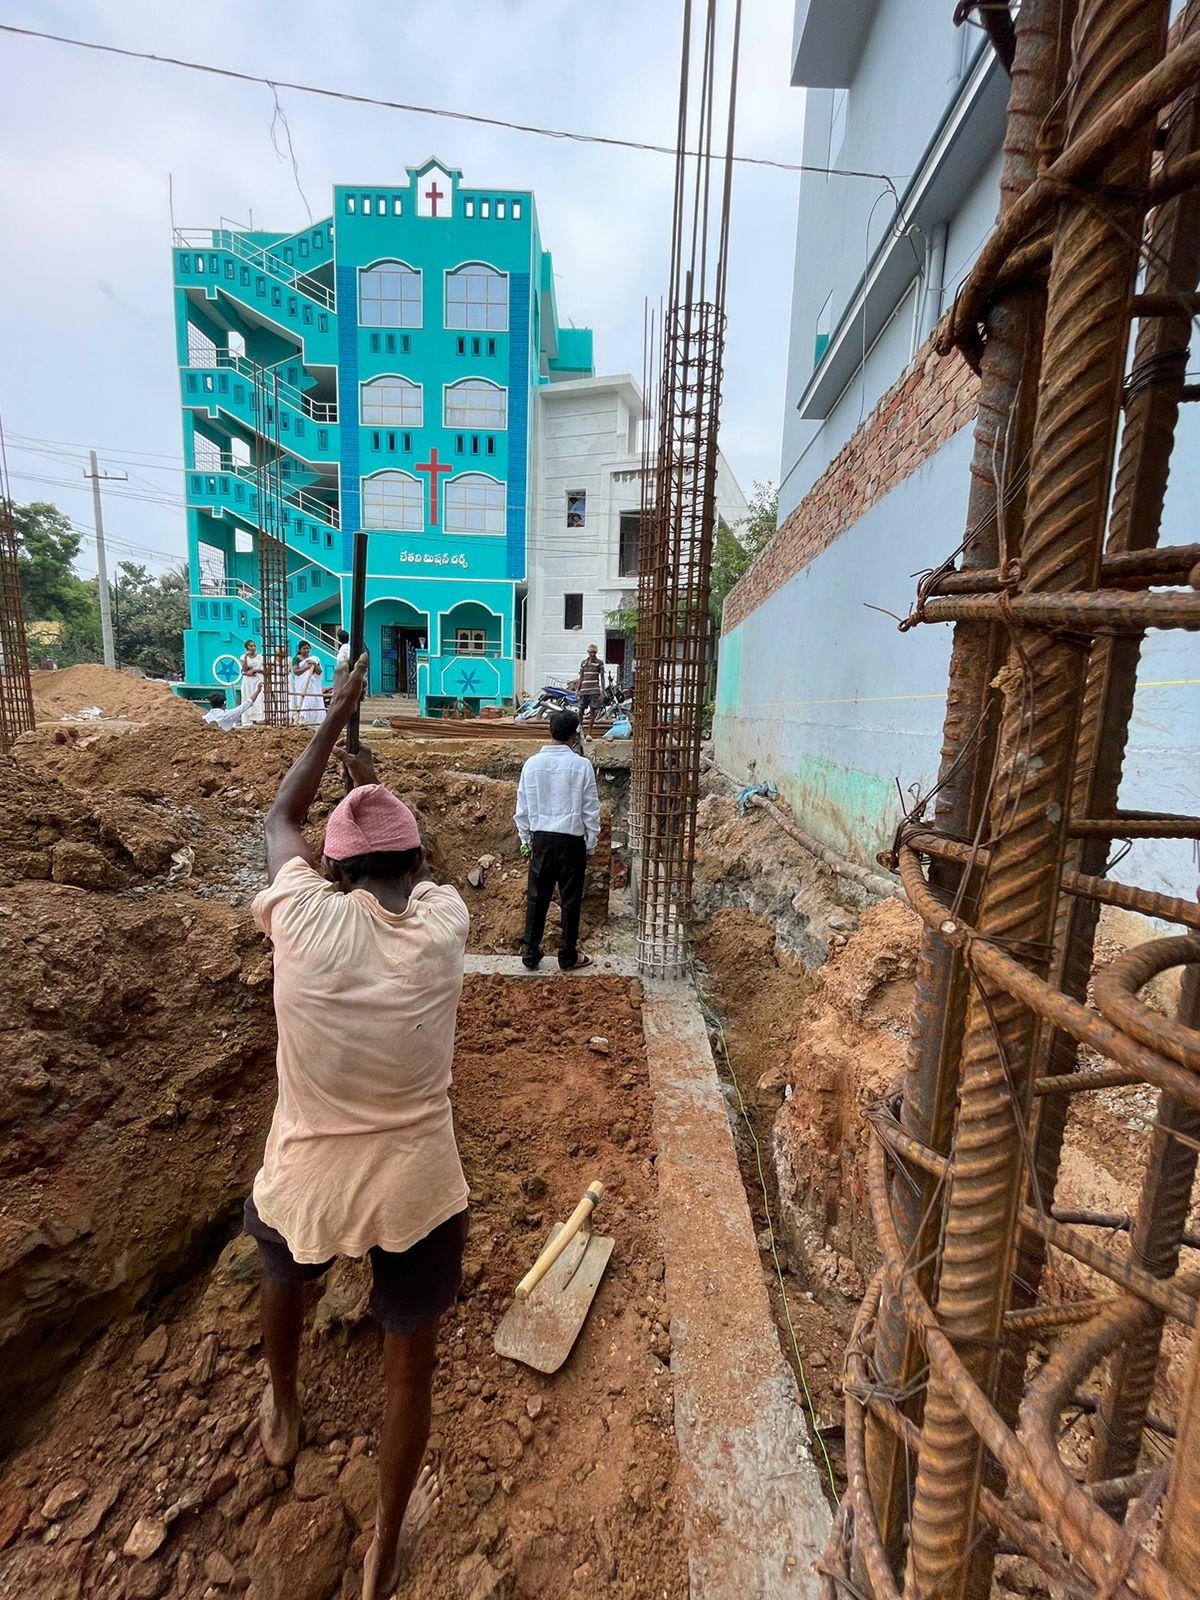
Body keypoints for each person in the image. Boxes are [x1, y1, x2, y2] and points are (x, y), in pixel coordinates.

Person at [247, 654, 469, 1599]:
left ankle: (285, 1403)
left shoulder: (302, 922)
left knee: (281, 1270)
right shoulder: (445, 927)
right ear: (415, 867)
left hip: (310, 1171)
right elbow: (419, 877)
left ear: (330, 868)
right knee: (409, 1366)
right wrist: (376, 780)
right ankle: (384, 1550)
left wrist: (337, 719)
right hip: (417, 1181)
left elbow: (277, 821)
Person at [514, 709, 600, 971]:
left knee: (537, 897)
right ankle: (567, 956)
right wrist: (591, 843)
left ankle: (530, 953)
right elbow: (590, 809)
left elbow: (523, 807)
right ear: (574, 736)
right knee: (571, 900)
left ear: (550, 732)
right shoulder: (581, 766)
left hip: (541, 840)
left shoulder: (532, 764)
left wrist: (525, 839)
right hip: (571, 842)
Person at [291, 642, 326, 727]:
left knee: (314, 700)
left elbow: (319, 672)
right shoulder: (296, 659)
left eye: (307, 648)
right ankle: (303, 720)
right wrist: (307, 667)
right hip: (302, 685)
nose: (306, 650)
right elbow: (296, 672)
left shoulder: (314, 659)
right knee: (304, 702)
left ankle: (313, 721)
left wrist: (313, 664)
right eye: (304, 648)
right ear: (300, 650)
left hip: (313, 685)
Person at [575, 644, 606, 739]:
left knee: (593, 711)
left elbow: (602, 677)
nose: (592, 654)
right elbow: (581, 677)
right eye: (591, 652)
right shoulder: (583, 663)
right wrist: (577, 689)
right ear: (588, 652)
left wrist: (602, 692)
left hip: (594, 690)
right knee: (581, 711)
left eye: (594, 652)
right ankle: (580, 731)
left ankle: (589, 733)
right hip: (584, 690)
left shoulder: (599, 663)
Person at [239, 640, 265, 725]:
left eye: (254, 646)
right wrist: (246, 657)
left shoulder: (260, 657)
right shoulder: (243, 657)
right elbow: (244, 669)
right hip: (248, 681)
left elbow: (263, 669)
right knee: (247, 697)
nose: (253, 648)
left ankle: (258, 718)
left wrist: (254, 670)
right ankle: (247, 720)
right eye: (251, 646)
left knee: (259, 698)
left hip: (258, 678)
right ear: (247, 647)